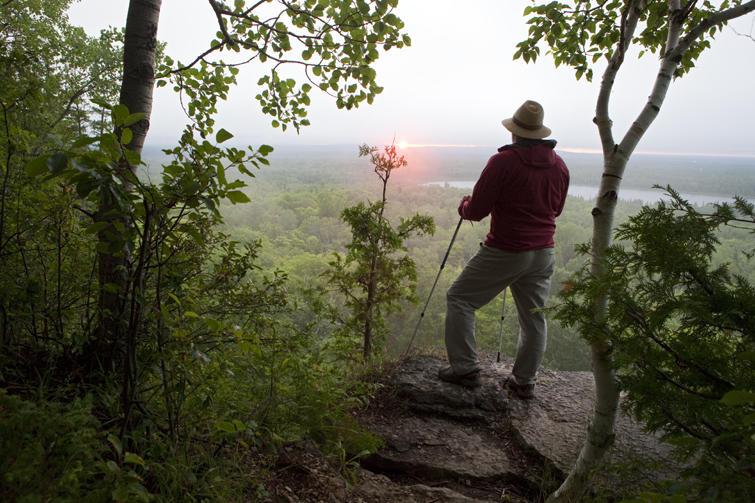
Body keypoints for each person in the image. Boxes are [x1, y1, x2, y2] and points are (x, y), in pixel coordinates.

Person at [438, 100, 569, 399]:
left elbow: (477, 211)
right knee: (534, 317)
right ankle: (524, 382)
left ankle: (465, 369)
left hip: (507, 249)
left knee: (459, 298)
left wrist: (463, 205)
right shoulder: (559, 165)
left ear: (514, 133)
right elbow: (556, 209)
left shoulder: (502, 162)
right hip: (543, 252)